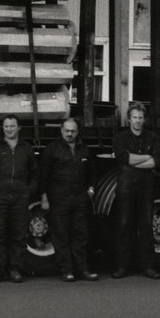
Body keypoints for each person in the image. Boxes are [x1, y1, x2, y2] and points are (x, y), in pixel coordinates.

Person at [39, 117, 100, 282]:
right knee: (61, 236)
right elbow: (43, 175)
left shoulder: (84, 149)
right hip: (59, 199)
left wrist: (91, 189)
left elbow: (93, 172)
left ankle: (83, 271)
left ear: (77, 132)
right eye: (67, 131)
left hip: (79, 199)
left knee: (80, 235)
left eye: (73, 131)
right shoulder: (52, 149)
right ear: (61, 130)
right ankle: (67, 271)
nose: (69, 134)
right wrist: (44, 197)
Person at [0, 114, 38, 283]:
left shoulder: (26, 148)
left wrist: (29, 191)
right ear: (3, 128)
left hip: (20, 198)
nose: (9, 129)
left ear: (19, 128)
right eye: (6, 126)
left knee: (18, 235)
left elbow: (35, 173)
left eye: (12, 126)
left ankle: (15, 269)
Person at [111, 102, 160, 280]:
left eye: (140, 118)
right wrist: (147, 158)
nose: (137, 121)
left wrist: (136, 160)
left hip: (146, 187)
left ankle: (148, 267)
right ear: (129, 119)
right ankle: (122, 267)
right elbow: (123, 157)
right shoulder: (120, 137)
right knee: (124, 225)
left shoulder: (152, 137)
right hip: (126, 186)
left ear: (144, 119)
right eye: (134, 117)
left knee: (146, 226)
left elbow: (158, 160)